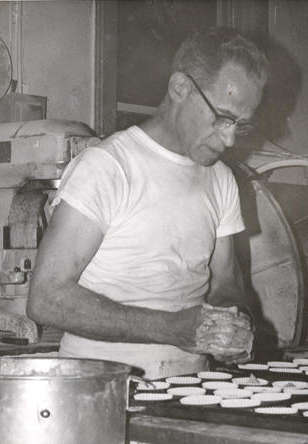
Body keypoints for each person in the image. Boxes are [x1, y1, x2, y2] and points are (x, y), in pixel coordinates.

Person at [27, 27, 268, 379]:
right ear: (180, 88)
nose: (229, 138)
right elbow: (46, 298)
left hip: (192, 386)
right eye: (223, 117)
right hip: (103, 387)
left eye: (240, 126)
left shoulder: (221, 179)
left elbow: (226, 281)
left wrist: (230, 323)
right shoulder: (109, 167)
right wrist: (171, 328)